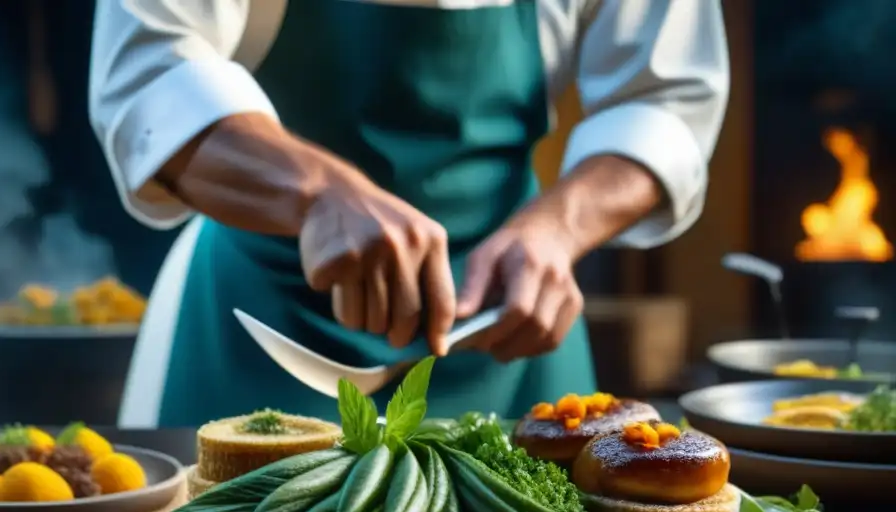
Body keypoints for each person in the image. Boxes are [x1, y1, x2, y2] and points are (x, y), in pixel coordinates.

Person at [90, 0, 729, 428]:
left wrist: (559, 227)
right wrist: (317, 191)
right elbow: (148, 73)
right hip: (261, 320)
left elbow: (666, 96)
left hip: (509, 319)